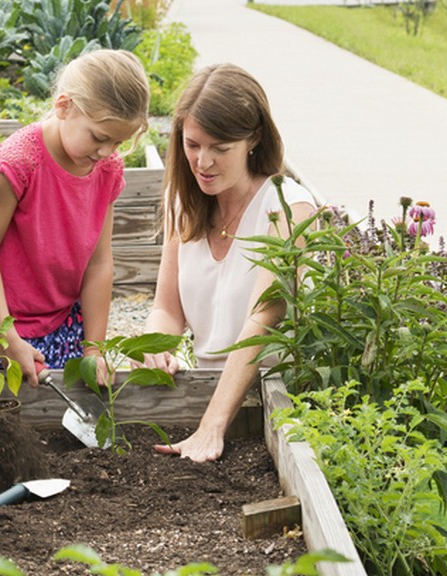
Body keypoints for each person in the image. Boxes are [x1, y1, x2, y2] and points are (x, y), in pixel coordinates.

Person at [139, 63, 317, 462]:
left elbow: (262, 321)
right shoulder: (185, 204)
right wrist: (153, 344)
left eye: (220, 149)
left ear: (253, 139)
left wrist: (212, 427)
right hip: (206, 393)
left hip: (277, 403)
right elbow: (167, 308)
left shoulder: (287, 207)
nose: (203, 162)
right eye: (192, 145)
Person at [0, 49, 151, 386]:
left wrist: (94, 348)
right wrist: (7, 338)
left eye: (118, 142)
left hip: (63, 322)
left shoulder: (107, 167)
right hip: (2, 325)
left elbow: (99, 262)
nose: (106, 152)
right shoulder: (18, 163)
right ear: (64, 106)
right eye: (99, 137)